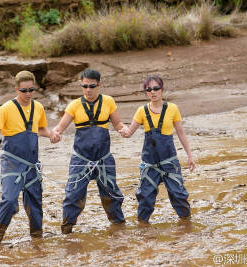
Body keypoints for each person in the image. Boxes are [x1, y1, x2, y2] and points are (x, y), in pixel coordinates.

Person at [0, 70, 59, 242]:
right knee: (10, 201)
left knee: (35, 205)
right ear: (16, 89)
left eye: (31, 90)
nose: (28, 94)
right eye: (24, 90)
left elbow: (41, 129)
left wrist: (52, 135)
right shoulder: (5, 109)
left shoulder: (38, 107)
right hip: (11, 163)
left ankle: (37, 240)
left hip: (32, 164)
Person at [52, 69, 127, 234]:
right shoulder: (74, 105)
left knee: (112, 195)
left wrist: (124, 130)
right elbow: (60, 127)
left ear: (99, 84)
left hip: (104, 159)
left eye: (92, 86)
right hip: (80, 160)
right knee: (72, 195)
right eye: (84, 86)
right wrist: (55, 134)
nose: (88, 90)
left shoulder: (109, 102)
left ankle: (119, 228)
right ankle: (67, 231)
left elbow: (118, 124)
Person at [119, 74, 195, 223]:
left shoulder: (172, 108)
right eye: (149, 89)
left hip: (169, 162)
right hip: (149, 164)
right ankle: (143, 229)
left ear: (162, 89)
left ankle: (186, 224)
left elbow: (181, 132)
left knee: (178, 194)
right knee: (145, 198)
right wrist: (122, 130)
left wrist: (190, 156)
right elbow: (129, 132)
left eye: (156, 88)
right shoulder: (142, 111)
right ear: (146, 92)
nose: (152, 92)